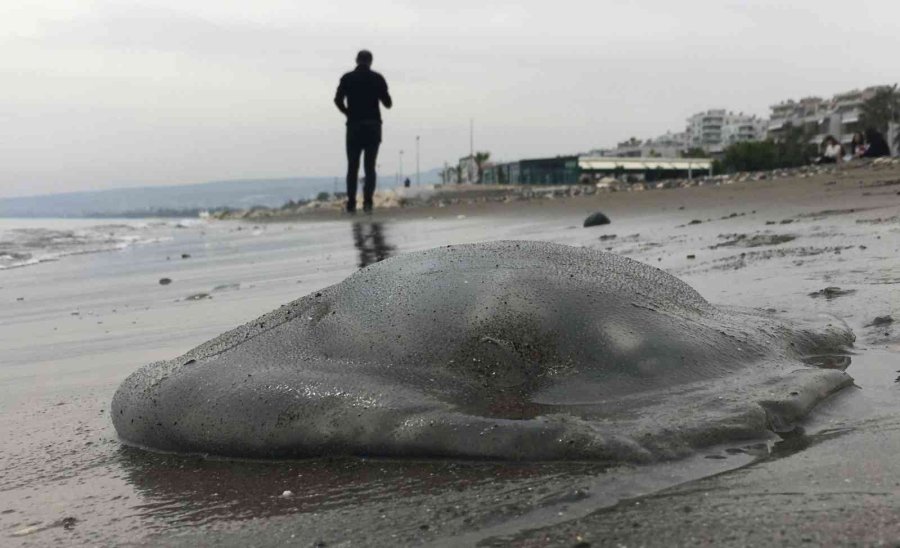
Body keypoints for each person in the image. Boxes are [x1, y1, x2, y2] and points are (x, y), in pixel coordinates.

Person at [334, 50, 393, 214]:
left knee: (352, 167)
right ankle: (368, 203)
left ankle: (351, 203)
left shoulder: (347, 78)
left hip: (354, 126)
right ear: (371, 61)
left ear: (357, 60)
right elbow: (388, 103)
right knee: (369, 166)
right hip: (373, 126)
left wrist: (347, 112)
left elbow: (337, 100)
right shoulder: (377, 78)